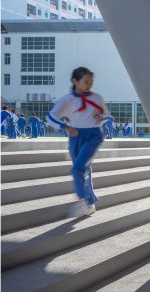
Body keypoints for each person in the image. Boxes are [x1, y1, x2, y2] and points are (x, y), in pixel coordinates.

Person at [47, 67, 107, 217]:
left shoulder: (97, 98)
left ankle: (81, 201)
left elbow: (105, 115)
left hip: (93, 136)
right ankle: (90, 203)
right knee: (83, 169)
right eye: (86, 81)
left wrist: (101, 117)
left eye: (91, 82)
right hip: (75, 136)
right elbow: (51, 116)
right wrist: (64, 126)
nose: (89, 84)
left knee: (77, 169)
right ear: (75, 81)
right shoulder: (67, 99)